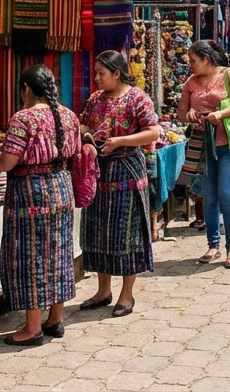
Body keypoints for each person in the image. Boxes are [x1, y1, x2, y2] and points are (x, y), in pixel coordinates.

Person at [0, 65, 84, 345]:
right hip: (61, 188)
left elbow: (8, 161)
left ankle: (32, 328)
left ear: (27, 89)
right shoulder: (68, 116)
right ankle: (55, 319)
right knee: (58, 252)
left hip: (30, 193)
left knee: (31, 256)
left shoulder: (24, 118)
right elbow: (75, 152)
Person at [76, 51, 162, 318]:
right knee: (99, 231)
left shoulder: (138, 98)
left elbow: (154, 131)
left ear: (117, 73)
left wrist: (120, 141)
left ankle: (127, 294)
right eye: (96, 72)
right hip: (99, 172)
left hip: (126, 172)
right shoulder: (95, 100)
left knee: (127, 234)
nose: (97, 78)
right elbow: (85, 124)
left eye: (102, 73)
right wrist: (87, 135)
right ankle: (103, 290)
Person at [178, 40, 230, 268]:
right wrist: (190, 115)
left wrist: (221, 114)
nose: (190, 64)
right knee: (209, 196)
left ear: (206, 60)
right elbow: (181, 114)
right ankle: (213, 245)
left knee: (227, 194)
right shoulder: (190, 83)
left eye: (193, 60)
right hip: (204, 145)